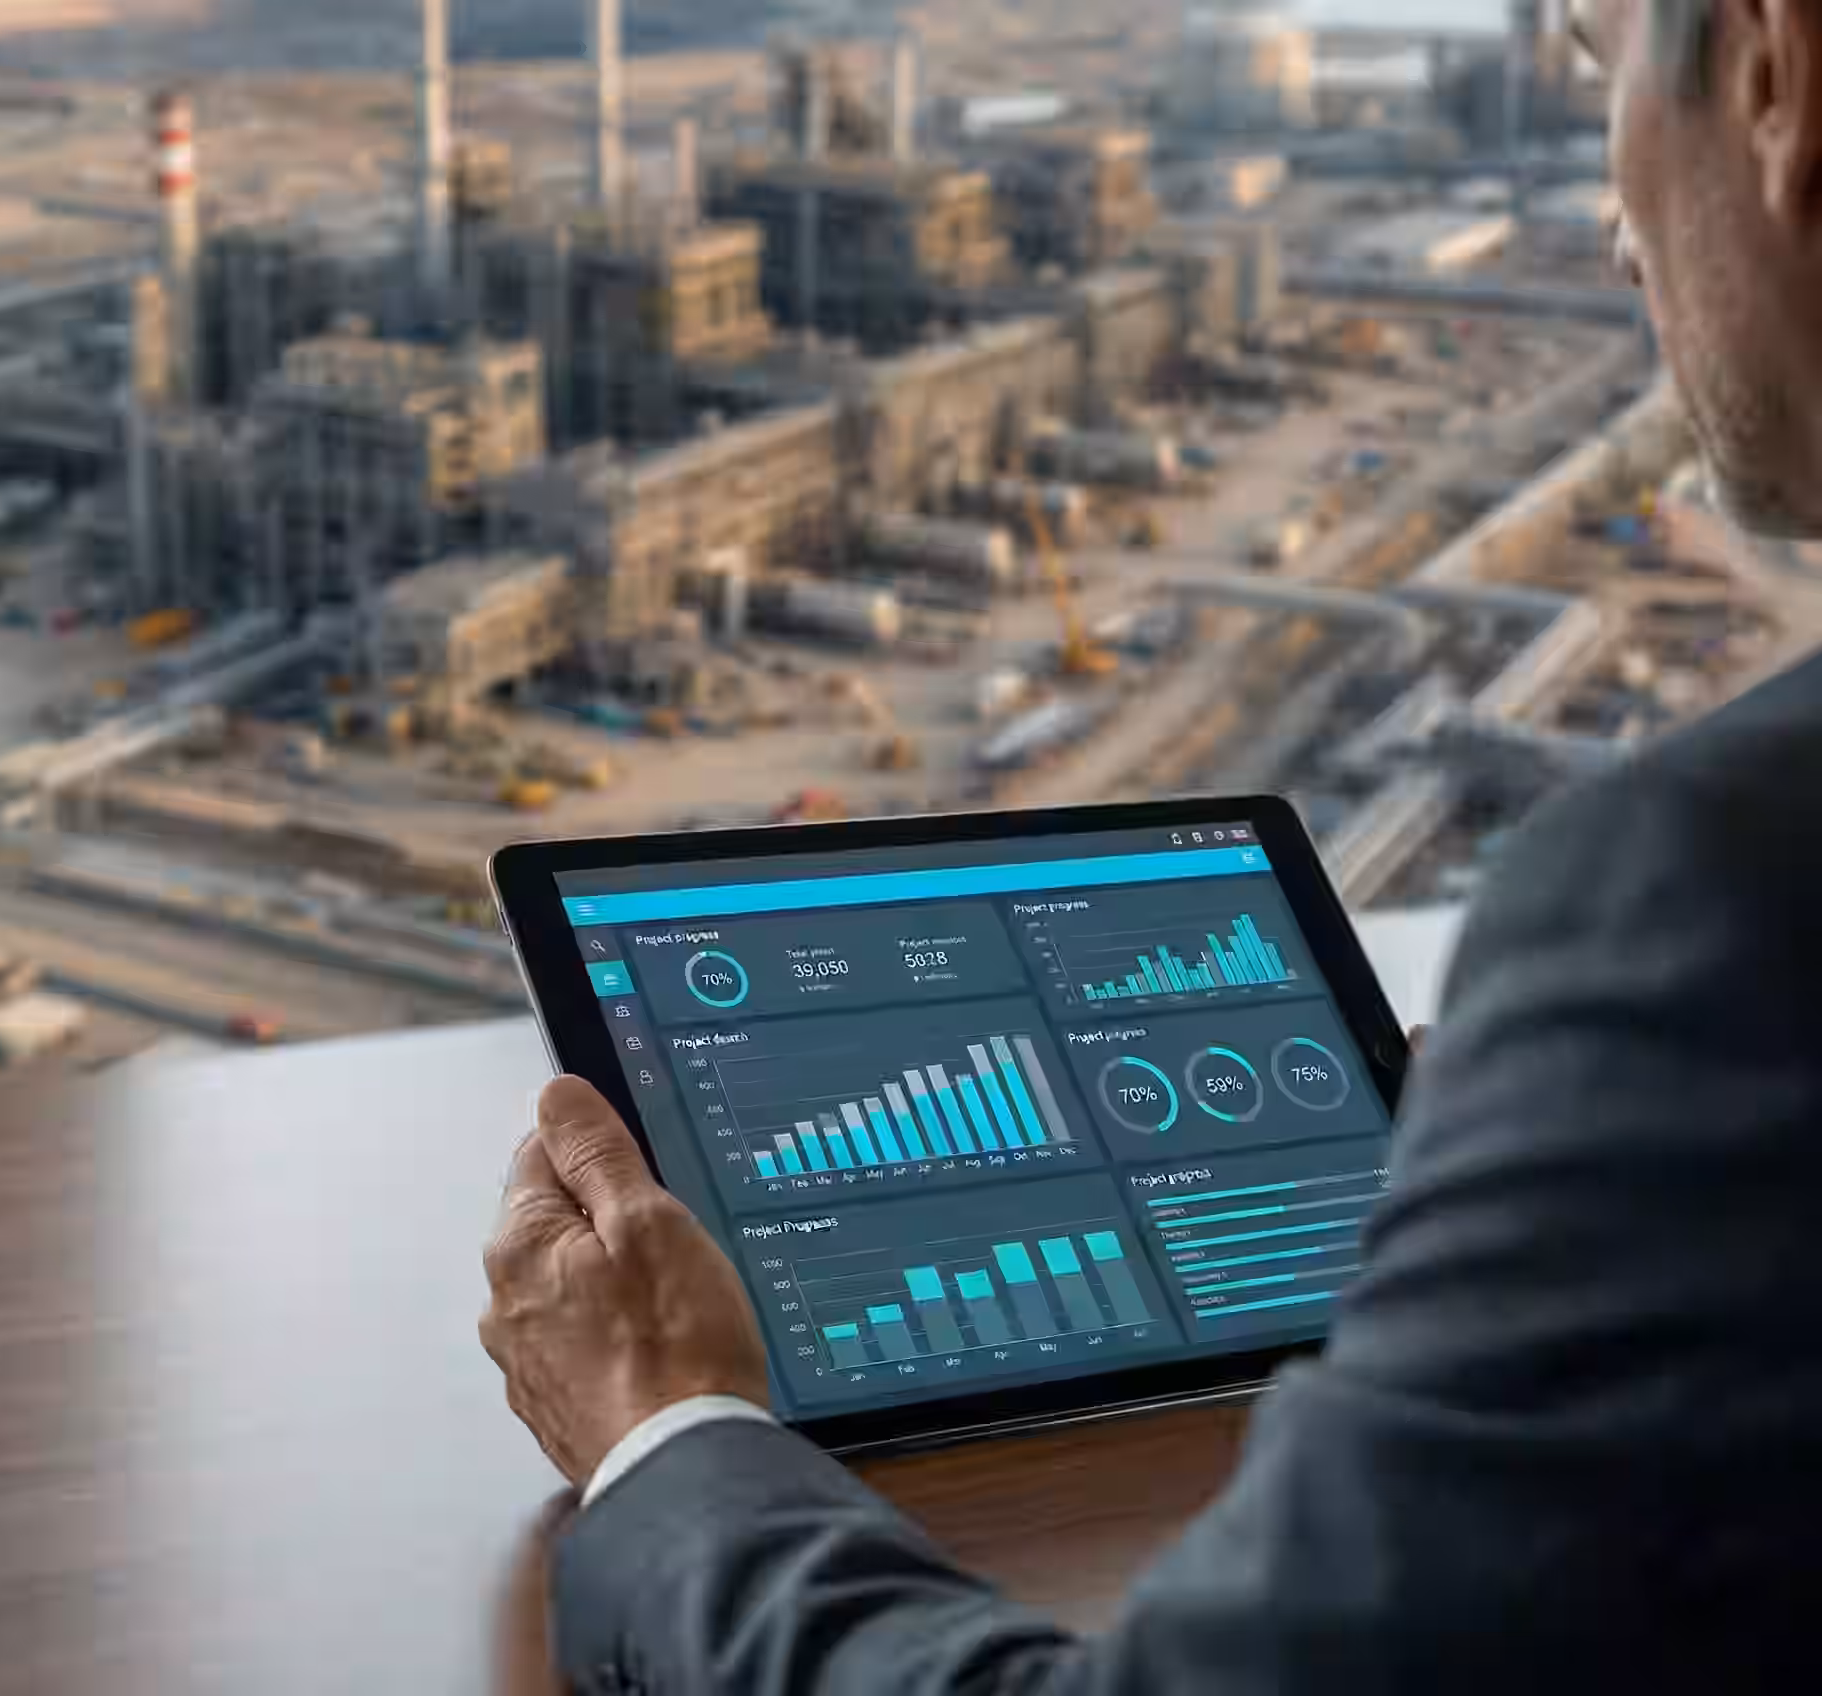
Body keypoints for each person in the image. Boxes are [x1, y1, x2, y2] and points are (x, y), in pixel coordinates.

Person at [479, 1, 1822, 1689]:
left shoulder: (1718, 904)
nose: (1616, 218)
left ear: (1776, 72)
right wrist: (1557, 1196)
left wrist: (663, 1443)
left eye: (1594, 56)